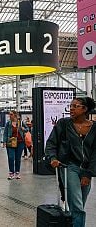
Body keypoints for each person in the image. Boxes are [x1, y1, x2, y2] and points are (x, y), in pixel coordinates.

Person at [45, 97, 96, 227]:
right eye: (70, 106)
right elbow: (51, 143)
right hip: (69, 167)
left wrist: (88, 174)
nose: (71, 108)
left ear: (85, 109)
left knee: (79, 204)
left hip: (85, 169)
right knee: (77, 205)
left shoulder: (94, 128)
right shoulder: (63, 124)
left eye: (75, 106)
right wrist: (52, 158)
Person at [3, 110, 28, 180]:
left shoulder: (21, 123)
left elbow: (27, 129)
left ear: (15, 115)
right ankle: (11, 173)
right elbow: (5, 133)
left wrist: (23, 129)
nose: (9, 116)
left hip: (20, 142)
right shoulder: (8, 123)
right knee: (11, 157)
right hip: (11, 142)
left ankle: (17, 172)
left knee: (18, 158)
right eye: (9, 114)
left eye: (11, 114)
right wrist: (4, 142)